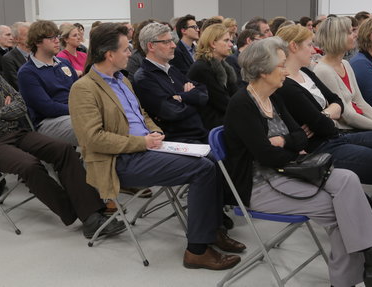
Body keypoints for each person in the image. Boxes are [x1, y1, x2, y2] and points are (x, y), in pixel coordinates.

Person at [224, 37, 372, 287]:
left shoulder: (275, 96)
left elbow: (302, 138)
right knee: (342, 211)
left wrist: (285, 141)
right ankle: (367, 273)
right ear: (262, 70)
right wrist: (290, 144)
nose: (285, 70)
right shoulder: (241, 104)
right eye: (280, 65)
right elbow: (267, 155)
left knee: (348, 179)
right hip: (259, 184)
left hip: (288, 171)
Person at [69, 22, 244, 271]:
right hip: (119, 160)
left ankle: (212, 230)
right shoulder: (84, 88)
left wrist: (155, 131)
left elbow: (142, 114)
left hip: (147, 147)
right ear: (110, 54)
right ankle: (197, 250)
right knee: (203, 170)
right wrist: (143, 141)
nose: (130, 53)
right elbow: (93, 138)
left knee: (211, 161)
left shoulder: (122, 81)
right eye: (126, 49)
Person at [0, 26, 125, 238]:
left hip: (15, 133)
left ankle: (90, 212)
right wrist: (5, 114)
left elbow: (20, 105)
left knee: (64, 150)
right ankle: (84, 214)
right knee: (28, 164)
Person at [276, 24, 372, 265]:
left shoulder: (307, 73)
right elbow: (327, 122)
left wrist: (328, 112)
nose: (313, 49)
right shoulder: (288, 83)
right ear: (293, 47)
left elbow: (337, 102)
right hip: (323, 146)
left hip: (336, 136)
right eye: (309, 45)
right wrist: (330, 113)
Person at [313, 16, 372, 131]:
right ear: (338, 37)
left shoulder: (345, 64)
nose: (356, 35)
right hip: (346, 129)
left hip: (358, 122)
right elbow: (345, 114)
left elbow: (360, 102)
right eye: (351, 32)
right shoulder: (324, 71)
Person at [133, 22, 209, 143]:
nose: (173, 45)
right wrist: (194, 100)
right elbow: (172, 112)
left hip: (198, 133)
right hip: (178, 139)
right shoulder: (144, 78)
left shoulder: (171, 69)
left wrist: (180, 97)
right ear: (151, 46)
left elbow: (204, 93)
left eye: (172, 40)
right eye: (166, 42)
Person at [17, 20, 78, 146]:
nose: (57, 41)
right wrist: (78, 110)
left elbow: (80, 90)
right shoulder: (28, 72)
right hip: (48, 122)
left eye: (57, 36)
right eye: (51, 38)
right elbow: (47, 108)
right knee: (90, 127)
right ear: (37, 41)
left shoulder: (63, 63)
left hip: (73, 114)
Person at [187, 24, 237, 130]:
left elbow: (234, 97)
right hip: (211, 125)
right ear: (213, 43)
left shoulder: (224, 67)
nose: (231, 45)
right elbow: (223, 102)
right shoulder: (202, 68)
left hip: (222, 118)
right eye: (226, 40)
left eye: (230, 41)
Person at [1, 22, 30, 90]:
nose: (32, 37)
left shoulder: (37, 55)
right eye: (28, 35)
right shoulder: (9, 59)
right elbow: (16, 84)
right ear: (16, 39)